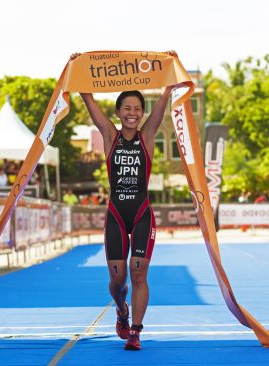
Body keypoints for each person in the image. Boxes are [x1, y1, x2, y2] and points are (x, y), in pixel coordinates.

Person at [72, 51, 174, 351]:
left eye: (138, 108)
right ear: (118, 112)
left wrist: (168, 84)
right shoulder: (109, 135)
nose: (133, 112)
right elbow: (89, 102)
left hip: (142, 214)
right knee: (118, 282)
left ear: (142, 113)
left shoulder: (148, 135)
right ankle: (121, 309)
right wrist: (79, 73)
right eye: (127, 108)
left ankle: (136, 331)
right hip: (116, 216)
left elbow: (162, 108)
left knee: (138, 271)